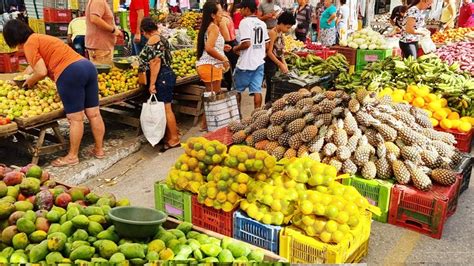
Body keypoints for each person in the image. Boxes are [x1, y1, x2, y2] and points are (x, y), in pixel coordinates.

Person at [3, 19, 106, 166]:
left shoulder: (29, 44)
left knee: (75, 119)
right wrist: (19, 79)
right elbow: (33, 68)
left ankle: (72, 156)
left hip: (69, 72)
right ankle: (99, 150)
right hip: (87, 67)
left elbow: (41, 71)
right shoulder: (40, 38)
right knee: (94, 113)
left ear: (12, 37)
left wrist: (29, 83)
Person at [138, 18, 180, 150]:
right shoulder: (162, 38)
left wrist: (152, 84)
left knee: (166, 108)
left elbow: (155, 62)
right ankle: (170, 136)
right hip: (167, 75)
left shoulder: (153, 40)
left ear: (145, 31)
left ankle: (174, 139)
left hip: (161, 77)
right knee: (165, 107)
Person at [196, 1, 230, 131]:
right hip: (211, 66)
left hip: (208, 66)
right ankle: (209, 126)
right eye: (220, 12)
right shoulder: (214, 28)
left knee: (211, 96)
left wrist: (222, 48)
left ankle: (205, 125)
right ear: (213, 15)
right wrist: (223, 59)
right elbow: (209, 48)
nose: (222, 15)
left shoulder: (209, 26)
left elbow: (210, 46)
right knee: (213, 97)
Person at [233, 0, 270, 110]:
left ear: (247, 9)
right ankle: (257, 116)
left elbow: (246, 44)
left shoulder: (244, 22)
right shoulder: (262, 23)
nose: (240, 11)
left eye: (241, 8)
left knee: (236, 90)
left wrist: (236, 48)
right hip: (259, 62)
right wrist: (258, 52)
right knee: (257, 90)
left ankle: (237, 115)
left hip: (245, 64)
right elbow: (267, 45)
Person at [264, 11, 295, 103]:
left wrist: (284, 63)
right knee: (271, 87)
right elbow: (269, 52)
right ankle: (267, 106)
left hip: (277, 62)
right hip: (270, 63)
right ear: (281, 23)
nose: (288, 30)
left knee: (276, 86)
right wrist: (280, 64)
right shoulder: (272, 33)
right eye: (287, 27)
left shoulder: (280, 32)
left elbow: (280, 51)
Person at [85, 0, 121, 65]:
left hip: (101, 47)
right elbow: (94, 19)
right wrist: (113, 30)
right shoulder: (98, 1)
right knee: (103, 73)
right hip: (101, 48)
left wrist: (116, 30)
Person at [219, 0, 239, 90]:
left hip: (228, 44)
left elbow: (226, 37)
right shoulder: (228, 16)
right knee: (233, 68)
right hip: (234, 42)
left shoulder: (222, 19)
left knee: (228, 69)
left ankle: (230, 89)